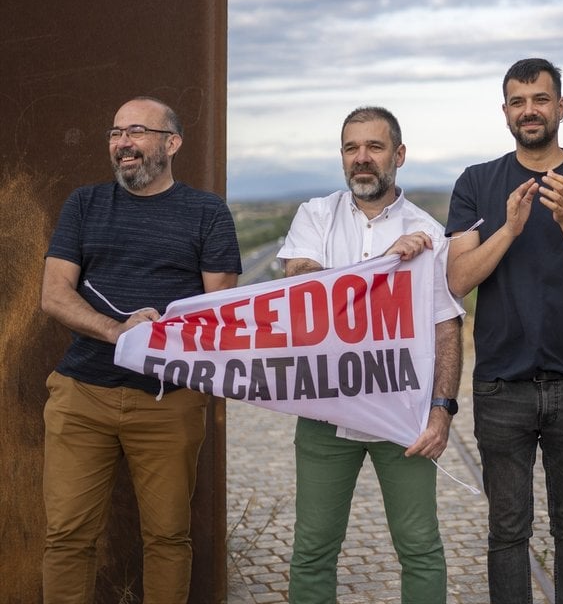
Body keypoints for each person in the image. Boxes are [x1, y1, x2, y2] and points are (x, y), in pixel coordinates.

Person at [40, 96, 241, 603]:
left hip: (169, 402)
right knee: (67, 537)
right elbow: (53, 294)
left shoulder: (207, 212)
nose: (122, 143)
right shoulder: (84, 204)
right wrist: (119, 332)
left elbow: (221, 310)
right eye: (114, 133)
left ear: (171, 143)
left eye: (135, 131)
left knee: (169, 538)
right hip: (81, 397)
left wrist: (163, 337)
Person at [445, 57, 563, 603]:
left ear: (560, 107)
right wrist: (511, 228)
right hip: (502, 385)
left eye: (541, 99)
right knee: (507, 532)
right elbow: (458, 279)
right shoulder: (476, 183)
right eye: (518, 102)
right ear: (505, 112)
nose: (530, 111)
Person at [278, 106, 465, 604]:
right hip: (324, 409)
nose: (362, 158)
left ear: (398, 156)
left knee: (420, 547)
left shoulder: (427, 230)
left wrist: (442, 411)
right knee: (313, 548)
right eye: (351, 148)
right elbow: (303, 286)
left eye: (374, 147)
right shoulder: (315, 215)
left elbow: (446, 326)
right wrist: (386, 266)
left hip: (402, 415)